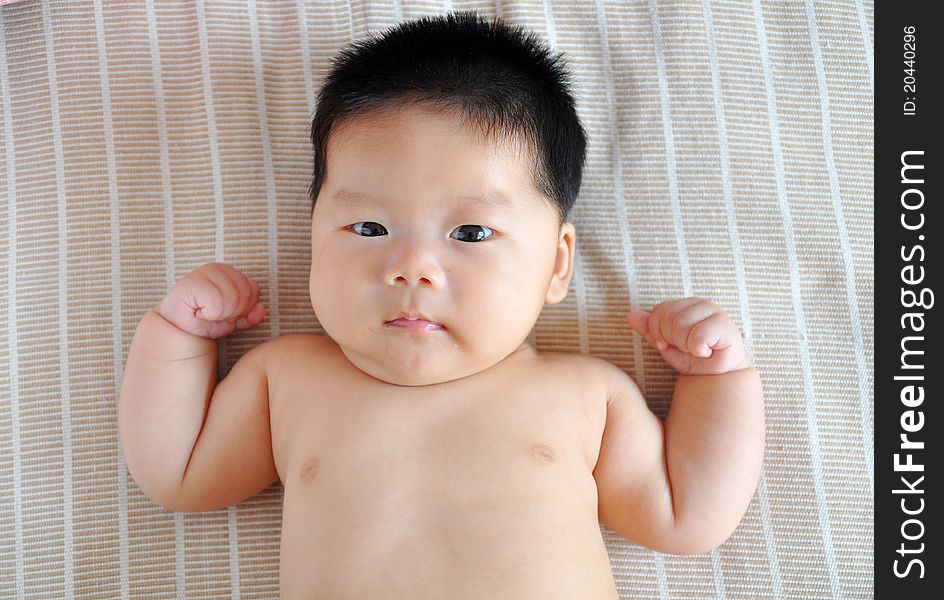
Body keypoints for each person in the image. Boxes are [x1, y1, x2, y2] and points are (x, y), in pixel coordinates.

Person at [118, 11, 764, 598]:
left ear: (557, 263)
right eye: (368, 228)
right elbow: (179, 476)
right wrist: (176, 337)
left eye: (471, 233)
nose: (411, 269)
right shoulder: (286, 379)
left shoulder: (583, 394)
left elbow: (686, 515)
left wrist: (718, 380)